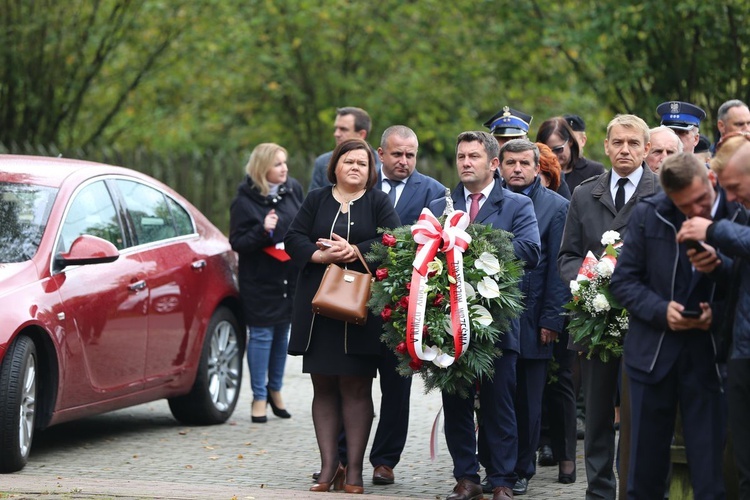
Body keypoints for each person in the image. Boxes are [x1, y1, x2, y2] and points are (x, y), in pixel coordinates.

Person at [610, 152, 736, 498]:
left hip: (709, 357)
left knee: (711, 475)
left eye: (700, 201)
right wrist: (661, 310)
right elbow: (623, 282)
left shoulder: (735, 212)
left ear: (711, 181)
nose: (694, 211)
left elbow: (743, 284)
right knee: (644, 475)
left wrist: (717, 309)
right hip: (652, 355)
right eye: (684, 206)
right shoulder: (649, 213)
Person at [428, 130, 541, 500]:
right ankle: (466, 477)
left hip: (497, 322)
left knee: (499, 404)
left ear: (494, 163)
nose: (465, 163)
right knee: (456, 403)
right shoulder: (439, 204)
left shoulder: (517, 205)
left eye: (473, 157)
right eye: (461, 156)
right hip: (449, 321)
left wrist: (473, 245)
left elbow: (530, 250)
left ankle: (503, 479)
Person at [285, 138, 401, 494]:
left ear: (372, 171)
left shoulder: (378, 201)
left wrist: (354, 250)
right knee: (323, 386)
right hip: (318, 309)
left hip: (359, 312)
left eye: (362, 164)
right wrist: (320, 256)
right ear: (335, 165)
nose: (355, 167)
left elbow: (395, 239)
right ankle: (326, 467)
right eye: (348, 161)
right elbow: (293, 238)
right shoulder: (317, 198)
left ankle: (353, 470)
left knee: (355, 387)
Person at [558, 114, 660, 499]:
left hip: (641, 321)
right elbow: (566, 255)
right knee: (597, 414)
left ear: (647, 149)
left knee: (636, 416)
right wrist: (588, 280)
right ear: (605, 146)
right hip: (593, 319)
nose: (625, 150)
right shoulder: (585, 194)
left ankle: (634, 489)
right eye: (618, 142)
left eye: (634, 143)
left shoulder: (660, 192)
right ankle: (599, 492)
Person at [369, 125, 446, 485]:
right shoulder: (361, 183)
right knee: (350, 384)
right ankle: (342, 455)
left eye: (410, 155)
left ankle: (385, 460)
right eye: (397, 154)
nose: (404, 161)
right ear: (380, 153)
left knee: (396, 388)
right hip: (357, 298)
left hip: (403, 307)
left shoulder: (431, 191)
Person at [677, 133, 750, 497]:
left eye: (735, 187)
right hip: (740, 350)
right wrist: (718, 267)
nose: (732, 197)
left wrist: (715, 230)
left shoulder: (727, 221)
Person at [498, 139, 570, 495]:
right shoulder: (490, 202)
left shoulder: (557, 207)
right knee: (498, 398)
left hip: (533, 316)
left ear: (537, 166)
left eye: (524, 163)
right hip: (493, 317)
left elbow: (558, 270)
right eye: (510, 162)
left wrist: (551, 320)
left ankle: (522, 469)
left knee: (528, 400)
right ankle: (497, 467)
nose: (517, 169)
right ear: (499, 165)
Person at [229, 143, 304, 423]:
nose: (284, 168)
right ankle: (258, 396)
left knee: (282, 334)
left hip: (289, 277)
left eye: (285, 163)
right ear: (263, 169)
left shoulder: (292, 190)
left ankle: (276, 391)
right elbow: (237, 242)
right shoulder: (244, 200)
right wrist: (263, 230)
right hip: (260, 280)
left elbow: (302, 224)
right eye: (277, 164)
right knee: (261, 336)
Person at [309, 107, 381, 192]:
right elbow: (313, 202)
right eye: (336, 128)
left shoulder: (382, 165)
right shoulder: (322, 163)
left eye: (343, 129)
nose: (336, 134)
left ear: (361, 134)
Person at [536, 116, 606, 194]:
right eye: (547, 151)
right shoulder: (535, 172)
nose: (553, 155)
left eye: (558, 149)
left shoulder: (594, 171)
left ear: (570, 141)